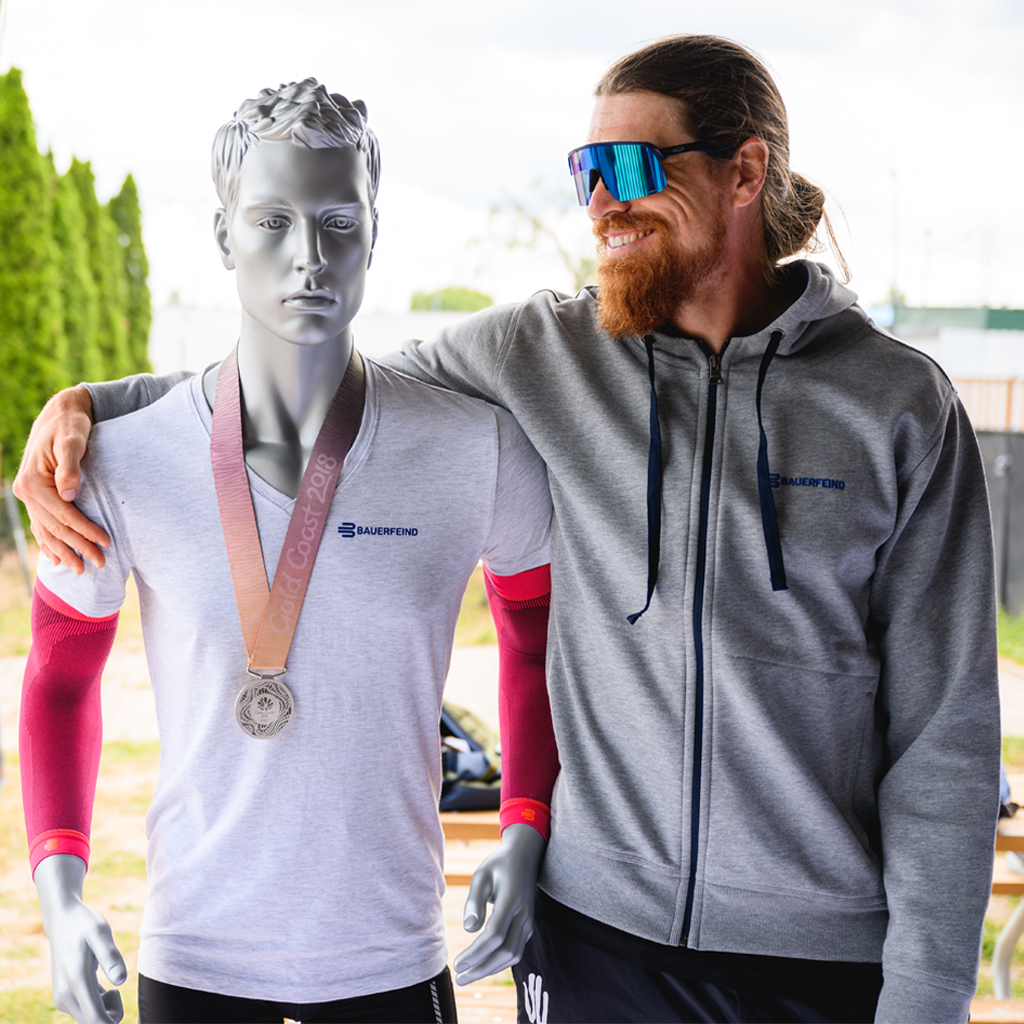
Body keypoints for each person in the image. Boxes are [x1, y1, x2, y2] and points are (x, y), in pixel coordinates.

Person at [16, 35, 1000, 1024]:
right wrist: (95, 408)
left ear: (743, 170)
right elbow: (304, 364)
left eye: (626, 167)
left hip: (818, 960)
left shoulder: (895, 407)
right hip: (589, 945)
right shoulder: (540, 352)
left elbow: (944, 735)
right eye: (585, 173)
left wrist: (925, 997)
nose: (600, 204)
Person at [17, 79, 554, 1024]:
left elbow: (537, 636)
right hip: (197, 958)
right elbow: (60, 682)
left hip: (391, 955)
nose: (309, 257)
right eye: (272, 220)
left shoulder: (472, 448)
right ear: (223, 235)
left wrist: (525, 828)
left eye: (339, 220)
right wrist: (59, 891)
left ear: (375, 233)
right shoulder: (120, 458)